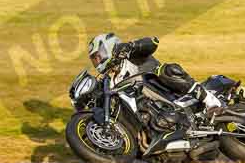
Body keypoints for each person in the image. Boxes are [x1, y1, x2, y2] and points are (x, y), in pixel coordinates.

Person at [87, 33, 222, 111]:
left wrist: (130, 46)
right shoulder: (111, 81)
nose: (97, 62)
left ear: (108, 48)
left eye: (98, 56)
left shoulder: (130, 55)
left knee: (165, 70)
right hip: (154, 112)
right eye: (94, 59)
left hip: (172, 94)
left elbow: (153, 42)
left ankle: (210, 100)